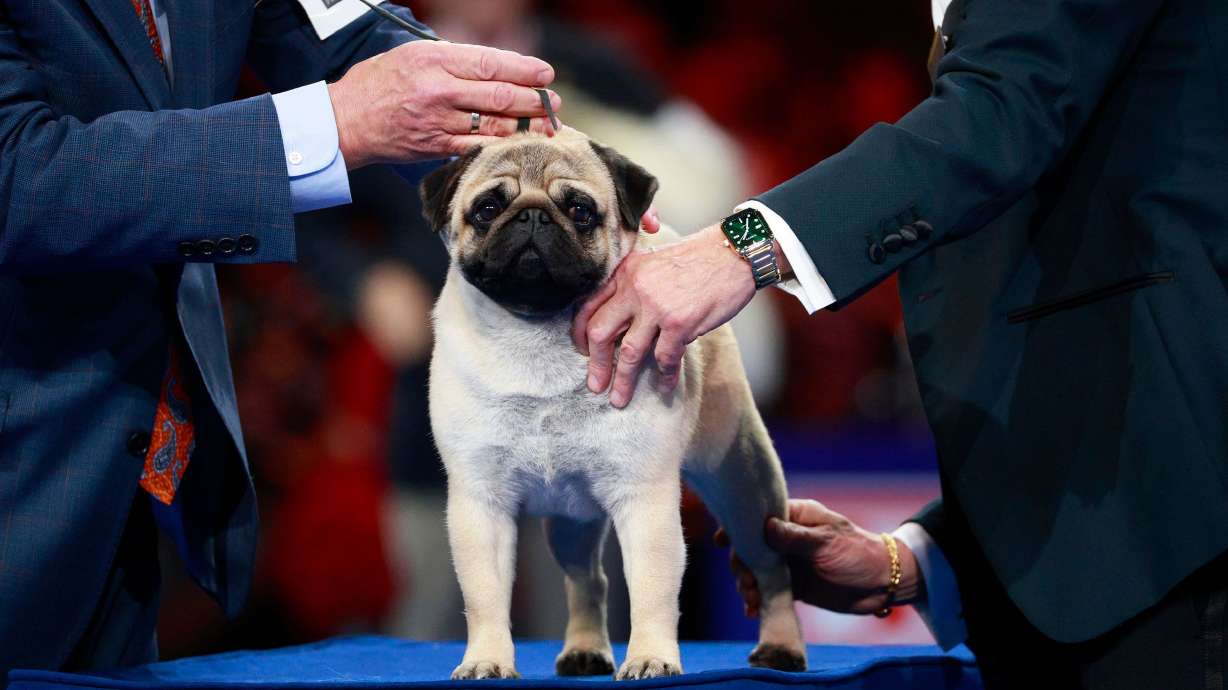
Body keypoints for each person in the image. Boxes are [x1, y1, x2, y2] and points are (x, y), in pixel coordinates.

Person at [575, 0, 1228, 686]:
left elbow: (998, 118)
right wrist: (921, 561)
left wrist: (742, 248)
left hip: (1175, 563)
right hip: (1109, 555)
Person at [0, 0, 562, 679]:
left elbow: (349, 33)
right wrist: (337, 121)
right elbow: (19, 178)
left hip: (131, 466)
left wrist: (567, 189)